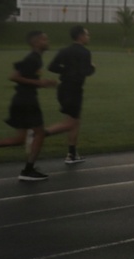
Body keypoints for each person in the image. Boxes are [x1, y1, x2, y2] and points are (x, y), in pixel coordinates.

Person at [0, 30, 58, 181]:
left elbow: (22, 75)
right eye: (44, 40)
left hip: (20, 100)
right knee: (40, 133)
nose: (47, 42)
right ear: (35, 42)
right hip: (27, 101)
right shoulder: (33, 58)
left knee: (20, 139)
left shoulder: (35, 58)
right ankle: (28, 170)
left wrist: (42, 83)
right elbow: (14, 76)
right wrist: (40, 83)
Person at [40, 25, 95, 164]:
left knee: (74, 121)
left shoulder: (64, 51)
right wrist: (92, 67)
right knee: (71, 123)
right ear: (81, 36)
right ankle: (39, 134)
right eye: (87, 35)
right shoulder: (85, 52)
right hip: (74, 90)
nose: (88, 37)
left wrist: (66, 70)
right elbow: (86, 72)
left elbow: (52, 67)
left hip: (63, 88)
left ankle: (72, 154)